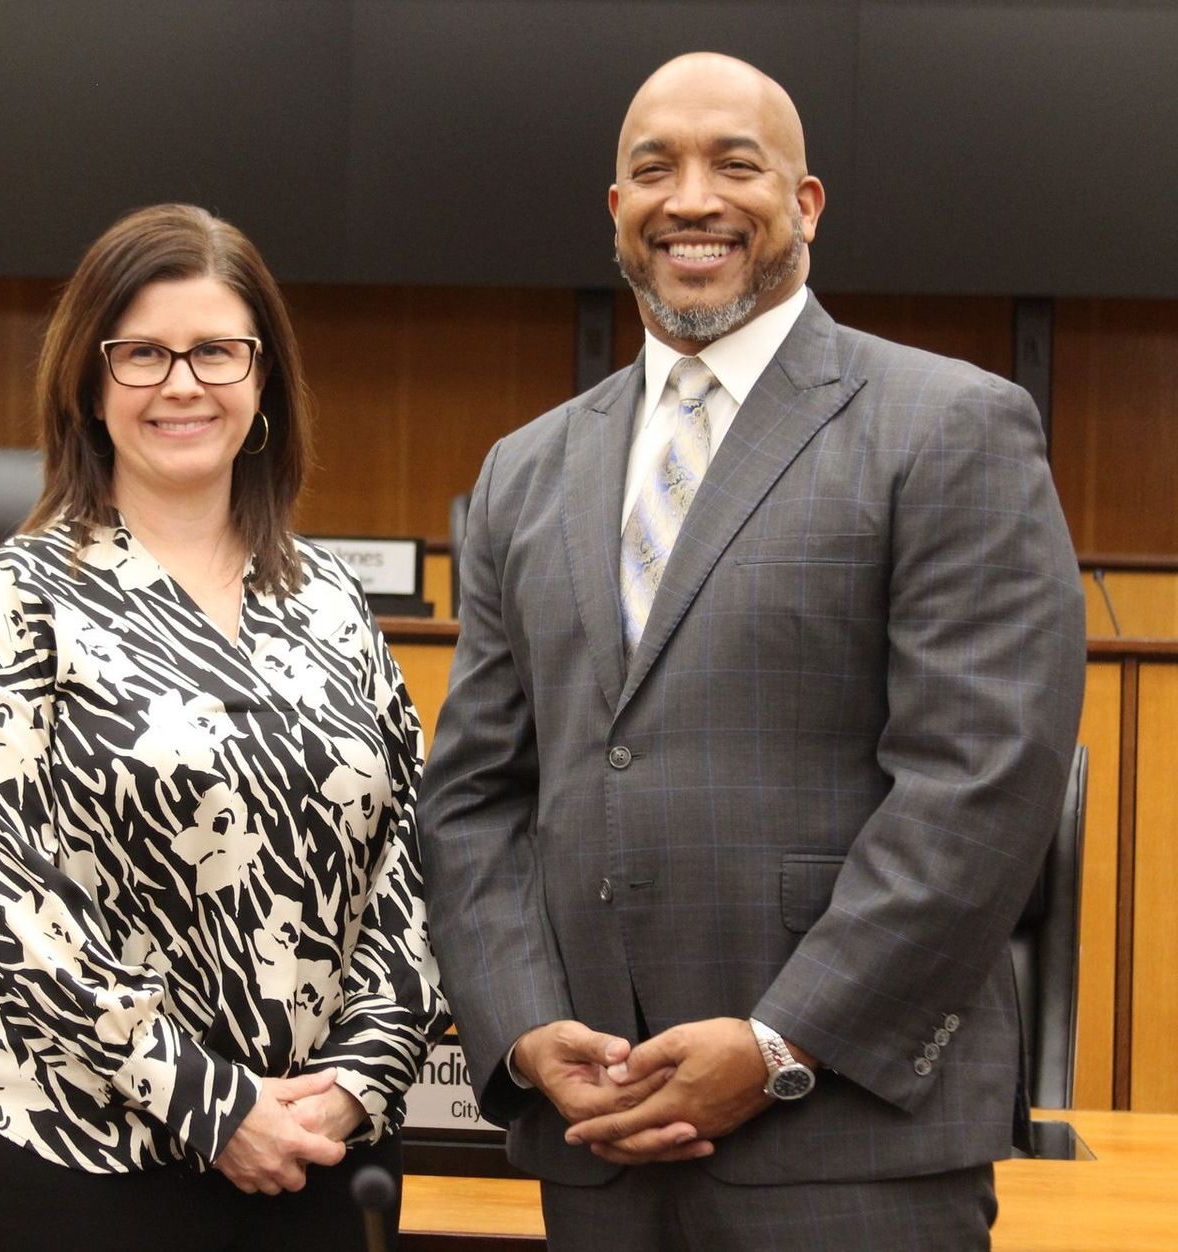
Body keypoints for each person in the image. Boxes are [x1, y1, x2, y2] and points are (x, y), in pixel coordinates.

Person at [418, 51, 1085, 1250]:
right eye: (653, 170)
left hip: (850, 1151)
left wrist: (780, 1042)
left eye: (737, 164)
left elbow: (980, 785)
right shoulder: (524, 469)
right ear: (616, 213)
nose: (693, 199)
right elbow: (473, 794)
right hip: (598, 1148)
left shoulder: (948, 426)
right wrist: (521, 1029)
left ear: (806, 204)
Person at [0, 203, 447, 1252]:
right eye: (142, 353)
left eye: (216, 350)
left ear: (262, 380)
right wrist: (211, 1105)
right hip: (72, 1152)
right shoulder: (17, 599)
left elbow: (416, 855)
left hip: (313, 1150)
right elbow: (10, 898)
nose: (181, 382)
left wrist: (357, 1077)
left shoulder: (333, 602)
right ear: (88, 378)